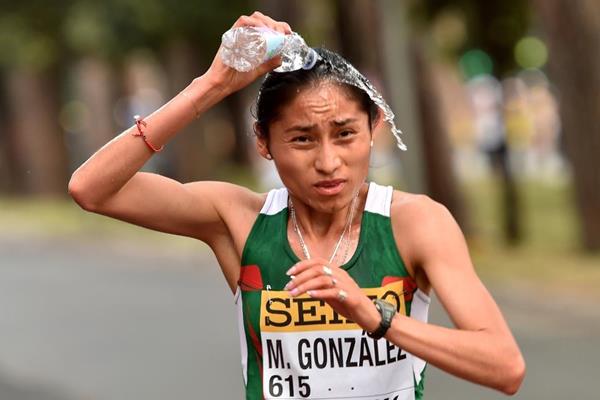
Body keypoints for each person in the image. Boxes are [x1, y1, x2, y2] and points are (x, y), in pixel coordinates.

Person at [68, 11, 525, 400]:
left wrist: (375, 316)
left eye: (345, 134)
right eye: (302, 139)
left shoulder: (415, 222)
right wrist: (211, 86)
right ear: (264, 143)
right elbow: (93, 189)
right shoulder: (239, 219)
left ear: (375, 127)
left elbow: (504, 366)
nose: (328, 163)